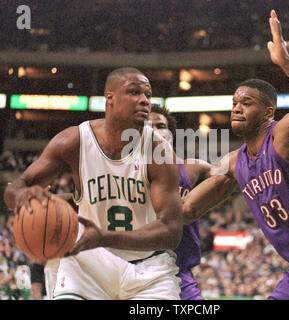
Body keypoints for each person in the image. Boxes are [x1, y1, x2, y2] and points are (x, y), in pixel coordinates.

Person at [183, 10, 289, 300]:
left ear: (268, 112)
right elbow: (187, 209)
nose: (236, 108)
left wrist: (287, 64)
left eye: (246, 103)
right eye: (234, 102)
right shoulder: (235, 163)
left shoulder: (285, 132)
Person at [4, 67, 183, 300]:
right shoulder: (74, 141)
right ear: (110, 97)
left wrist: (104, 236)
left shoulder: (158, 151)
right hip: (88, 261)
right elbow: (15, 187)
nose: (144, 101)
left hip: (148, 268)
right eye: (134, 92)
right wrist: (21, 196)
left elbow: (171, 231)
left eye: (147, 95)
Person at [149, 103, 213, 300]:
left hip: (178, 272)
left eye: (160, 126)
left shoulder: (192, 168)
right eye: (146, 126)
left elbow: (233, 175)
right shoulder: (122, 171)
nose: (153, 131)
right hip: (133, 270)